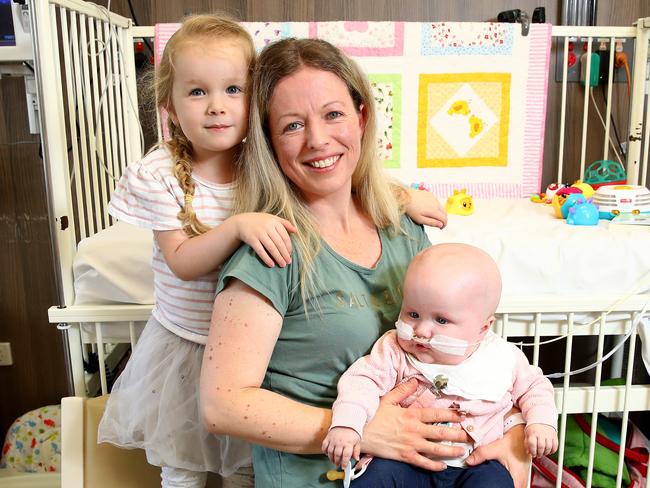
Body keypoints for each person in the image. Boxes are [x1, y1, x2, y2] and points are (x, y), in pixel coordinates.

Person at [200, 37, 531, 488]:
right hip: (326, 474)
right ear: (270, 141)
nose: (318, 139)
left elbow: (467, 347)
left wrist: (513, 430)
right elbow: (223, 405)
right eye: (293, 125)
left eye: (333, 114)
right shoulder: (273, 251)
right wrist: (366, 429)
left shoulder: (403, 229)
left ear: (361, 118)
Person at [97, 15, 298, 488]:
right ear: (168, 104)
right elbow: (184, 263)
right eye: (197, 92)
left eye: (233, 90)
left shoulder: (264, 160)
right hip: (186, 341)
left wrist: (401, 196)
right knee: (183, 463)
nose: (216, 107)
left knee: (245, 467)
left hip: (250, 347)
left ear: (257, 99)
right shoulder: (160, 172)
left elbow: (334, 187)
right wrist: (237, 227)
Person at [322, 243, 559, 487]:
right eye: (412, 314)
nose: (422, 331)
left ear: (483, 329)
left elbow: (535, 388)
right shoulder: (394, 350)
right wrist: (347, 424)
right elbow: (361, 382)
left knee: (495, 481)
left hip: (475, 464)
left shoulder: (502, 357)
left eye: (441, 320)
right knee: (376, 478)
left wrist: (541, 422)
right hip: (404, 460)